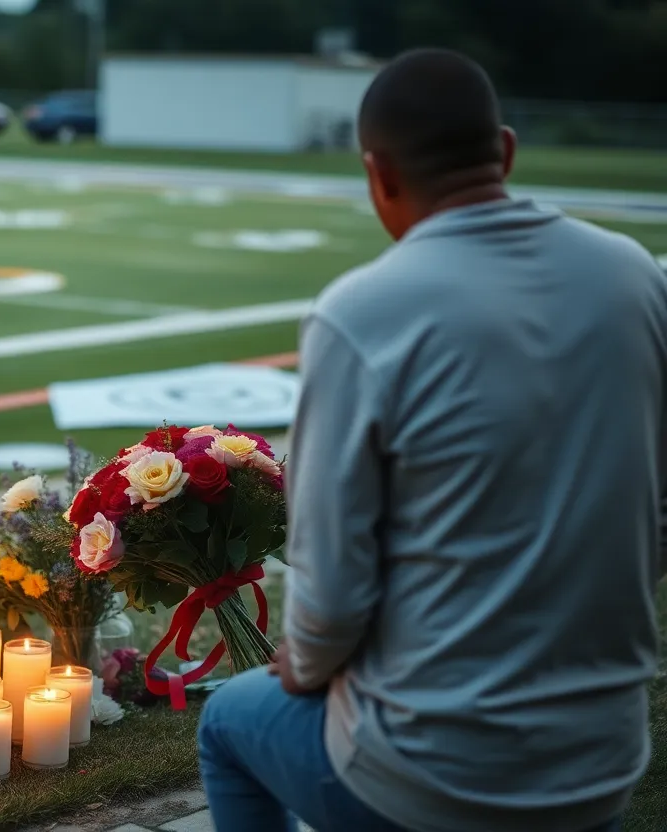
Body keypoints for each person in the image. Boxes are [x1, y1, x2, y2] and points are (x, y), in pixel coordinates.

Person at [198, 48, 667, 832]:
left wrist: (307, 666)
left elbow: (331, 593)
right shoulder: (635, 277)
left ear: (377, 174)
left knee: (229, 723)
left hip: (430, 771)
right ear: (507, 151)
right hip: (601, 757)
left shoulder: (363, 314)